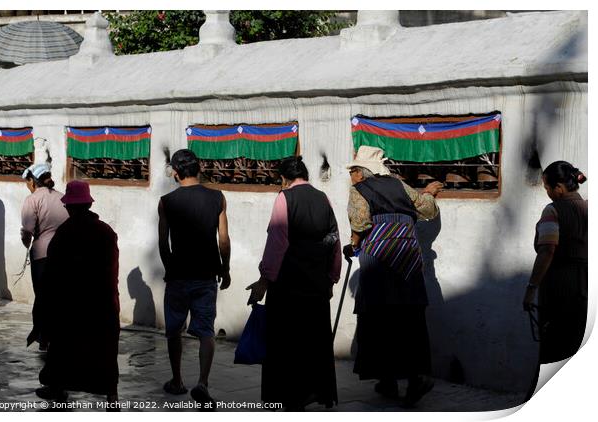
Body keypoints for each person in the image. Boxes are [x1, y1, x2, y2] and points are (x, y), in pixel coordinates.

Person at [344, 145, 443, 407]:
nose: (351, 175)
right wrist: (429, 193)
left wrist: (354, 244)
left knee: (379, 319)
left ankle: (387, 379)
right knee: (409, 319)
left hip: (378, 263)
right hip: (408, 261)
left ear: (363, 172)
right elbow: (427, 210)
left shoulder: (358, 190)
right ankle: (413, 379)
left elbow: (360, 224)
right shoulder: (400, 185)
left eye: (353, 170)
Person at [247, 156, 342, 410]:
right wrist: (332, 278)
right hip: (318, 285)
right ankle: (316, 391)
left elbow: (277, 242)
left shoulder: (284, 198)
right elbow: (334, 238)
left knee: (287, 342)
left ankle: (288, 396)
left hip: (289, 284)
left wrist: (264, 280)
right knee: (314, 340)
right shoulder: (324, 199)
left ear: (284, 178)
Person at [36, 180, 120, 407]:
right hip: (102, 303)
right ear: (88, 204)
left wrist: (45, 309)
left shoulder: (64, 234)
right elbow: (112, 271)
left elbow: (53, 274)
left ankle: (59, 387)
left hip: (70, 304)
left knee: (64, 347)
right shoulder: (106, 232)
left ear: (70, 207)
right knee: (105, 352)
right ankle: (111, 396)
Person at [158, 149, 231, 406]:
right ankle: (202, 382)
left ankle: (177, 380)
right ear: (199, 169)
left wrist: (170, 267)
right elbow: (223, 239)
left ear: (176, 173)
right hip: (206, 274)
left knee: (174, 331)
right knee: (206, 331)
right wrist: (225, 268)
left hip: (178, 275)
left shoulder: (166, 201)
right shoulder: (217, 198)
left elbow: (163, 243)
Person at [523, 161, 587, 363]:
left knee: (555, 348)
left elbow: (547, 250)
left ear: (559, 189)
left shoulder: (553, 210)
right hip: (586, 287)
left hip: (559, 287)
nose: (547, 192)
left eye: (547, 188)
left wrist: (531, 288)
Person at [20, 163, 69, 350]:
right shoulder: (63, 198)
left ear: (32, 181)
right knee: (60, 295)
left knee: (42, 296)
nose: (27, 185)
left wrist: (27, 244)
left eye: (27, 181)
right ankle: (60, 335)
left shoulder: (32, 200)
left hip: (41, 256)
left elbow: (27, 232)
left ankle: (43, 337)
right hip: (64, 255)